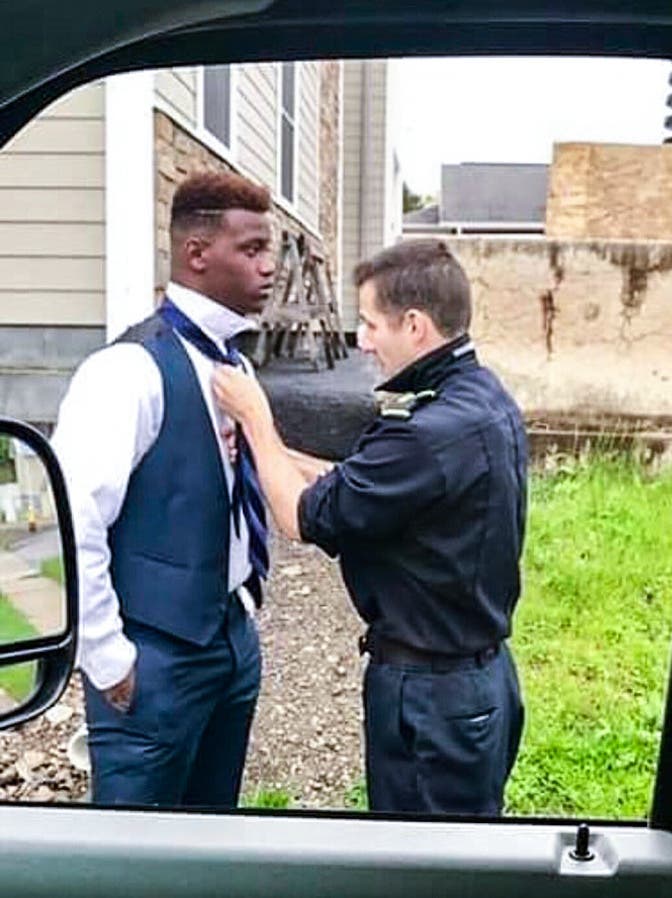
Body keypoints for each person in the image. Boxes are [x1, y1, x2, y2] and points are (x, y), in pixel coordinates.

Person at [213, 239, 528, 816]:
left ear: (414, 325)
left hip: (435, 697)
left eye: (368, 322)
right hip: (470, 685)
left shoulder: (427, 433)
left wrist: (255, 418)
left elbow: (301, 517)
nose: (361, 340)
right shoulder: (478, 400)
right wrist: (275, 455)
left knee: (425, 874)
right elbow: (357, 483)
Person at [52, 171, 276, 807]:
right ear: (197, 254)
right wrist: (107, 656)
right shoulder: (125, 371)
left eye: (271, 252)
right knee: (132, 859)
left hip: (231, 636)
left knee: (211, 840)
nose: (270, 269)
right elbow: (73, 522)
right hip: (153, 655)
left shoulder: (236, 364)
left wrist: (243, 621)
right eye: (252, 250)